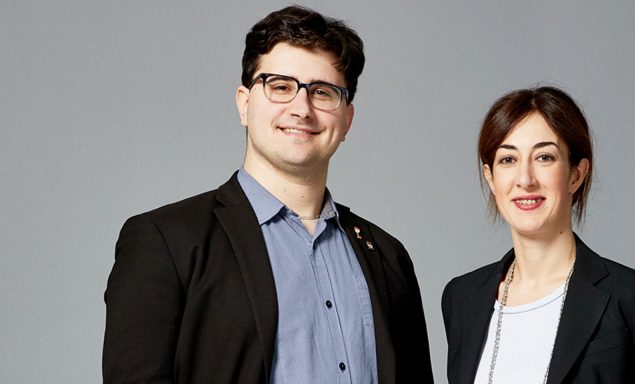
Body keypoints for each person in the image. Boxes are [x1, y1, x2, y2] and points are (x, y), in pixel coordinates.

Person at [103, 6, 433, 384]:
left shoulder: (388, 255)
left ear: (346, 120)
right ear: (244, 103)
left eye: (322, 92)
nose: (301, 108)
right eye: (280, 86)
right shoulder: (165, 241)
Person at [441, 86, 635, 383]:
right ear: (490, 177)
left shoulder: (634, 301)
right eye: (508, 160)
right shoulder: (463, 299)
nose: (525, 179)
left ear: (576, 174)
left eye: (544, 157)